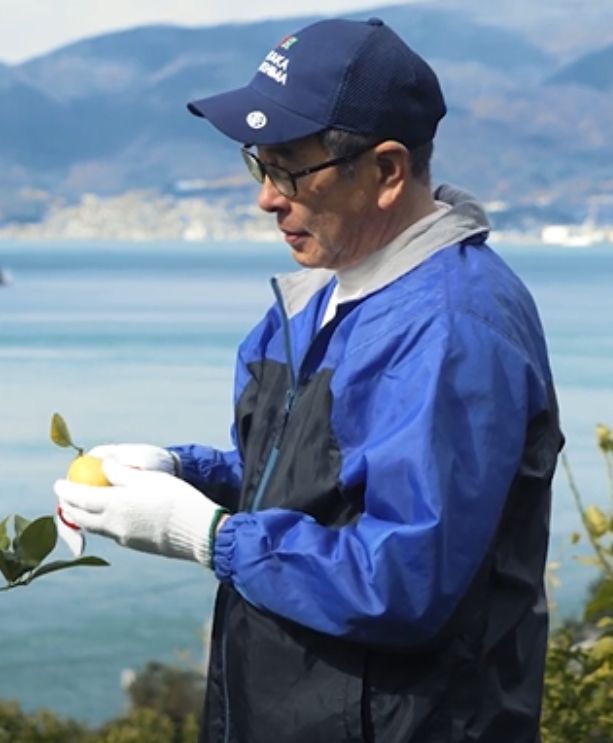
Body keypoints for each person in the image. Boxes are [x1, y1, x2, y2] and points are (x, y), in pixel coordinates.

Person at [53, 17, 564, 743]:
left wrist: (208, 536)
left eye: (290, 169)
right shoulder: (321, 294)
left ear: (386, 172)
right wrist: (179, 471)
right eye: (257, 164)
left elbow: (403, 581)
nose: (267, 196)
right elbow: (312, 481)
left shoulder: (453, 329)